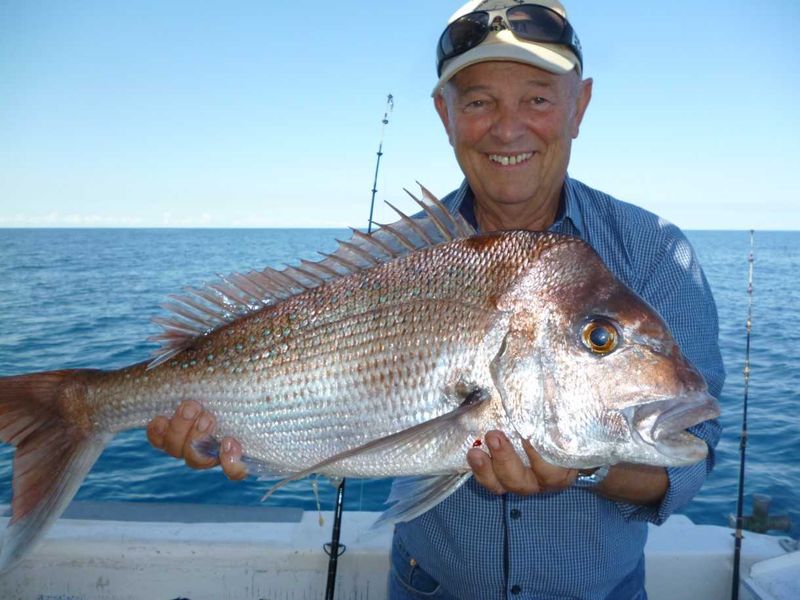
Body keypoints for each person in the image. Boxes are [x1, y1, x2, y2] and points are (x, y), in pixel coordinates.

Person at [146, 1, 725, 598]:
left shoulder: (656, 254)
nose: (507, 128)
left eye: (538, 98)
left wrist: (590, 465)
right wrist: (214, 426)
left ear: (579, 106)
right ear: (444, 114)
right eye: (478, 101)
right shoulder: (394, 263)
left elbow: (693, 455)